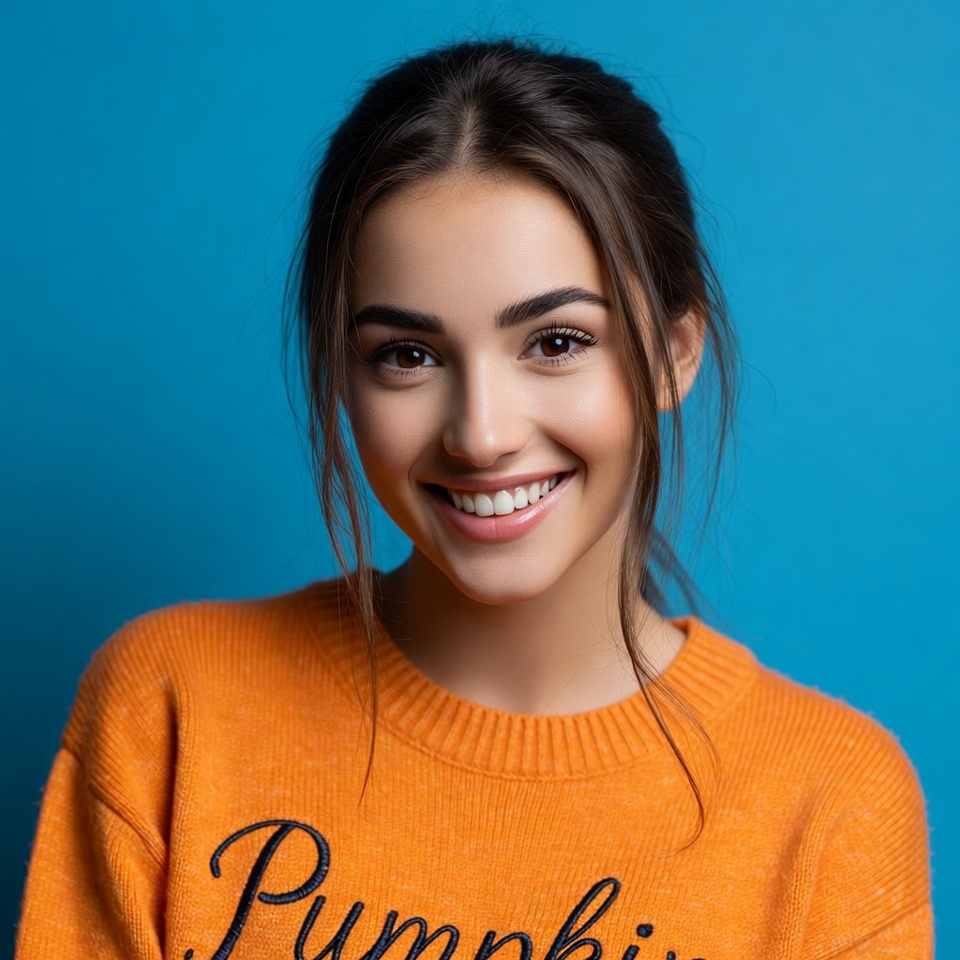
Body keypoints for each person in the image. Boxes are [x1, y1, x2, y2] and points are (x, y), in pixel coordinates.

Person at [16, 38, 931, 959]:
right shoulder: (172, 710)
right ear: (343, 375)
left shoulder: (830, 801)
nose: (482, 434)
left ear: (673, 353)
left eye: (557, 341)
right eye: (407, 355)